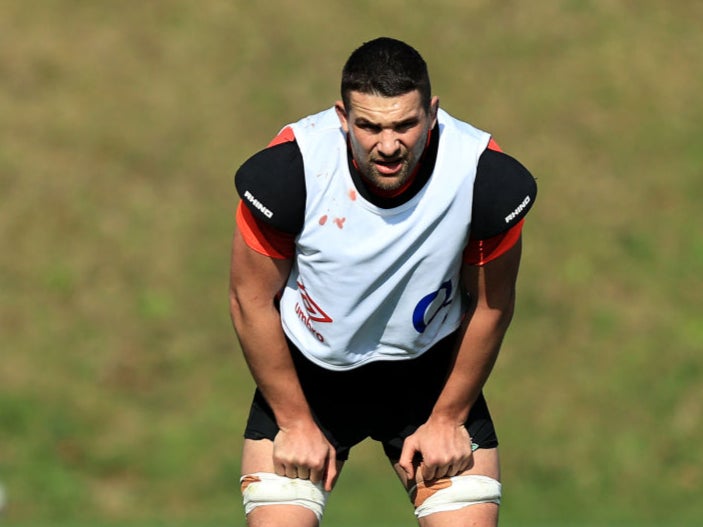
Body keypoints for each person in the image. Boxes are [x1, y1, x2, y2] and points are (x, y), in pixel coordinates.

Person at [229, 37, 536, 527]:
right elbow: (250, 298)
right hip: (308, 376)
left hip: (430, 375)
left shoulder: (484, 176)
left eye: (405, 125)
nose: (388, 145)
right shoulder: (290, 171)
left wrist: (448, 418)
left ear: (431, 113)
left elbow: (492, 305)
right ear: (342, 117)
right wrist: (293, 421)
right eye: (369, 126)